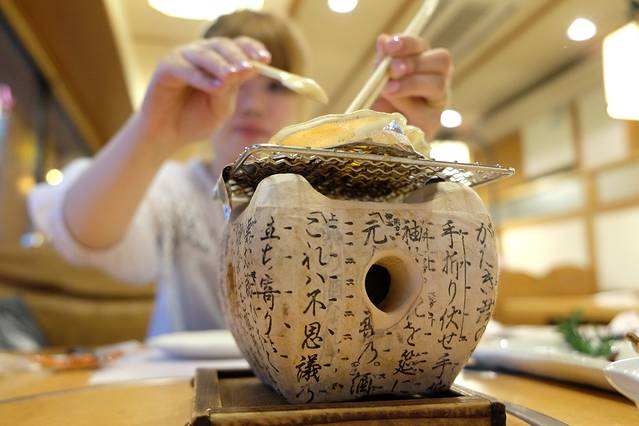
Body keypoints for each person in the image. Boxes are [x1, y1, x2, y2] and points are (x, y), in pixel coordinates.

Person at [28, 11, 452, 337]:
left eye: (275, 86)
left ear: (302, 103)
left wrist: (390, 157)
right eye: (234, 82)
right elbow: (86, 236)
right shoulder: (176, 190)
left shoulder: (330, 197)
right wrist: (155, 131)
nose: (252, 105)